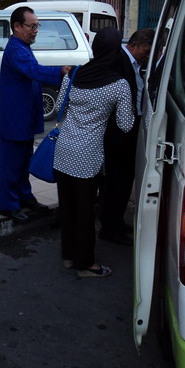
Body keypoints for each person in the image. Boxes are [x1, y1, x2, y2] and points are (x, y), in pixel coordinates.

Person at [52, 27, 134, 278]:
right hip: (87, 157)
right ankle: (85, 265)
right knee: (86, 211)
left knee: (67, 208)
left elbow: (58, 108)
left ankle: (69, 257)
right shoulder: (119, 85)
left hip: (63, 150)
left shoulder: (74, 73)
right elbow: (126, 124)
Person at [0, 6, 64, 222]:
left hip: (23, 118)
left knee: (24, 162)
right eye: (32, 26)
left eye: (37, 26)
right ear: (17, 26)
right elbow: (34, 71)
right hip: (14, 119)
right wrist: (62, 72)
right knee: (11, 165)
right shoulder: (16, 49)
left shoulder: (23, 46)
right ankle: (8, 205)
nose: (35, 30)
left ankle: (24, 197)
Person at [99, 28, 154, 245]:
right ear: (134, 45)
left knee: (125, 180)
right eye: (146, 50)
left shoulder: (138, 65)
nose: (148, 55)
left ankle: (117, 221)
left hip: (132, 126)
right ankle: (109, 227)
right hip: (119, 131)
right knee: (116, 181)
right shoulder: (118, 60)